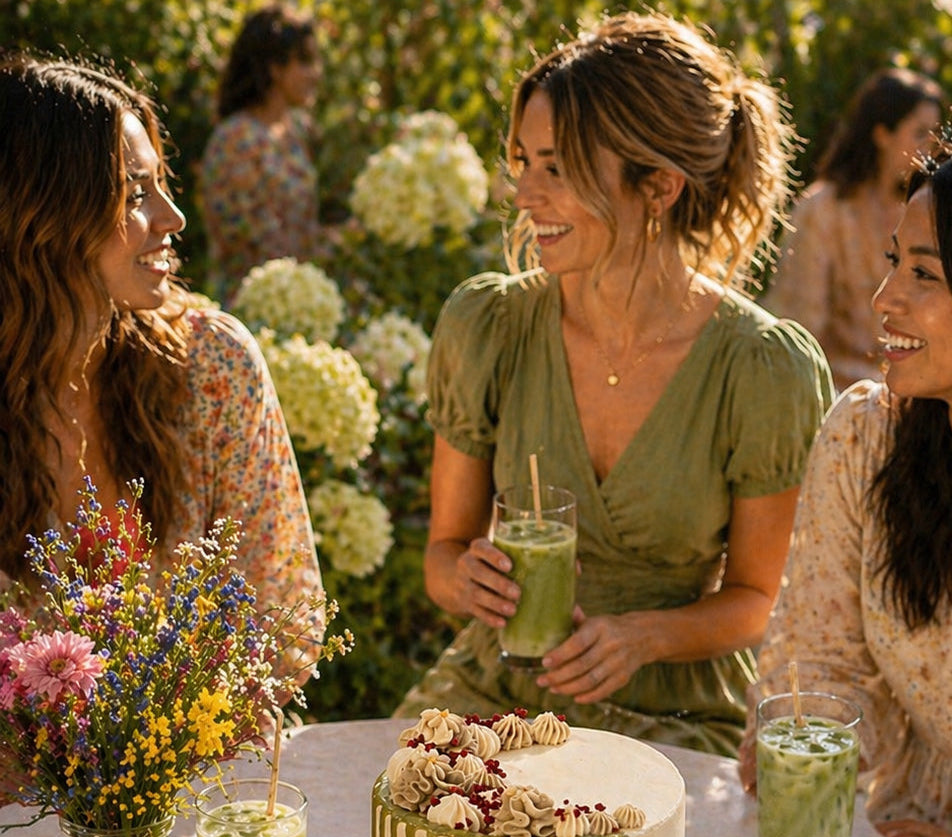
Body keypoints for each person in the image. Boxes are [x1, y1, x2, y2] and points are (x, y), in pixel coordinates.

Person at [394, 12, 833, 757]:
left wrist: (640, 637)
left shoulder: (760, 369)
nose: (525, 194)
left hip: (676, 721)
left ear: (657, 186)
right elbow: (443, 552)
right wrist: (464, 580)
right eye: (522, 161)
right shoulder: (490, 326)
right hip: (492, 697)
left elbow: (760, 599)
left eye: (556, 169)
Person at [741, 116, 952, 837]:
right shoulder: (865, 438)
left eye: (923, 275)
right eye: (893, 262)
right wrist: (796, 736)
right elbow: (819, 660)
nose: (882, 298)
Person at [0, 54, 324, 681]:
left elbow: (289, 620)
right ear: (44, 214)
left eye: (161, 183)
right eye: (136, 193)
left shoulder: (212, 367)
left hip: (202, 771)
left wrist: (170, 741)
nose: (173, 218)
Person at [763, 68, 944, 391]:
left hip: (913, 390)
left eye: (935, 133)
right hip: (829, 387)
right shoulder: (823, 209)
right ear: (881, 134)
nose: (931, 146)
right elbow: (800, 328)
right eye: (919, 133)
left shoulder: (923, 213)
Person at [198, 4, 336, 303]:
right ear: (275, 67)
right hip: (251, 305)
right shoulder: (237, 139)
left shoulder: (295, 132)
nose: (316, 73)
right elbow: (244, 239)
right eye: (306, 62)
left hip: (301, 298)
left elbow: (302, 228)